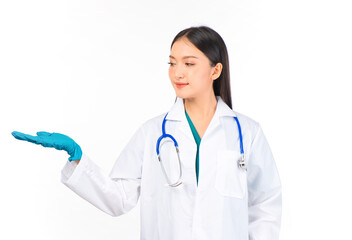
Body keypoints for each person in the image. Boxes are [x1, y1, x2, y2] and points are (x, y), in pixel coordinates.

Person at [11, 25, 282, 240]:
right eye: (172, 63)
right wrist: (77, 157)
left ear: (215, 70)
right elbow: (118, 199)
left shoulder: (247, 132)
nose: (178, 73)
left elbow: (266, 204)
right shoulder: (153, 132)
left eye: (189, 64)